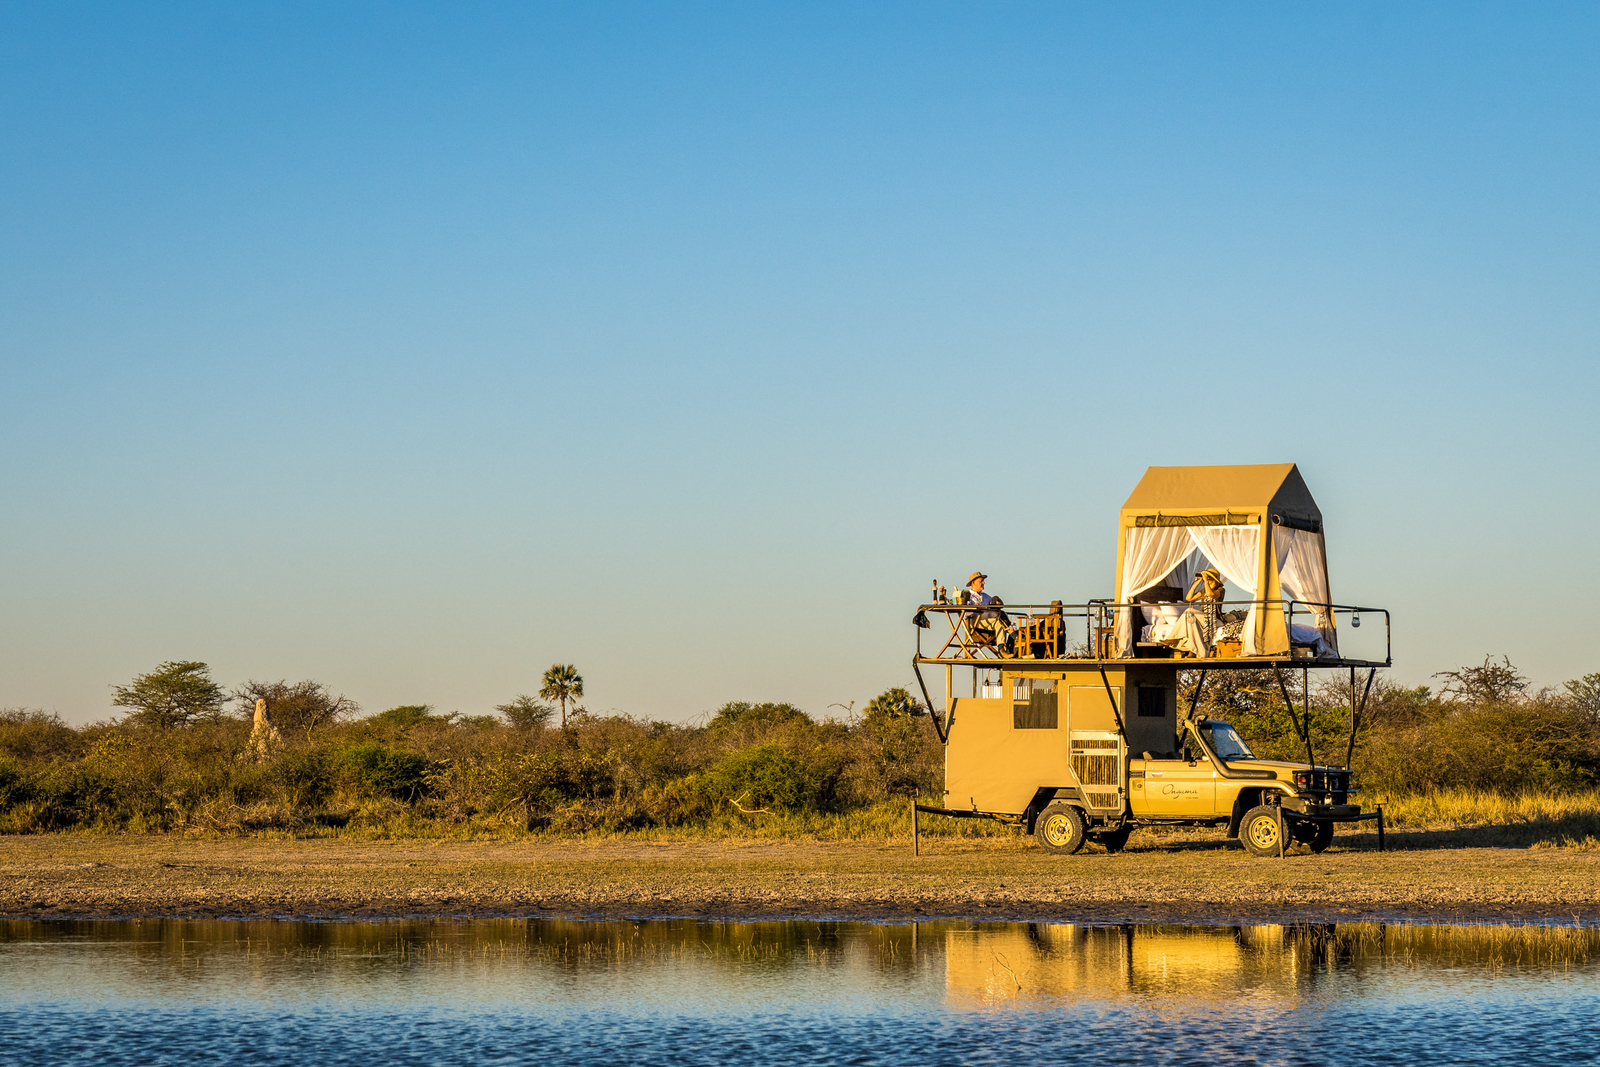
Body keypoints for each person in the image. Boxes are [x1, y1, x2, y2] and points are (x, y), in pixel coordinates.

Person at [963, 572, 1013, 652]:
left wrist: (997, 601)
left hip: (987, 620)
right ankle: (1013, 634)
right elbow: (966, 612)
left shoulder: (985, 596)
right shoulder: (968, 596)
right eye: (981, 581)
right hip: (974, 621)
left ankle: (1001, 649)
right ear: (973, 583)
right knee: (998, 615)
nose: (984, 583)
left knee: (999, 622)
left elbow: (997, 606)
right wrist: (973, 607)